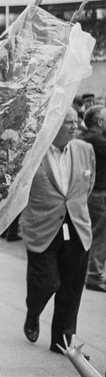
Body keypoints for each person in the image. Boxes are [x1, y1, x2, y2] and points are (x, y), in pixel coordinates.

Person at [21, 107, 95, 354]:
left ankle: (62, 341)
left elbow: (88, 184)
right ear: (53, 125)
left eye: (76, 122)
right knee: (46, 282)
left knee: (72, 286)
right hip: (42, 227)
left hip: (76, 226)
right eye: (68, 123)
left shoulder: (85, 150)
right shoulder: (33, 153)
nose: (75, 127)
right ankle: (33, 312)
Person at [81, 105, 106, 292]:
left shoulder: (83, 138)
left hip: (88, 194)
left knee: (90, 233)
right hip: (99, 193)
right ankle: (94, 275)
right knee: (99, 235)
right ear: (99, 121)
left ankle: (87, 272)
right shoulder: (97, 141)